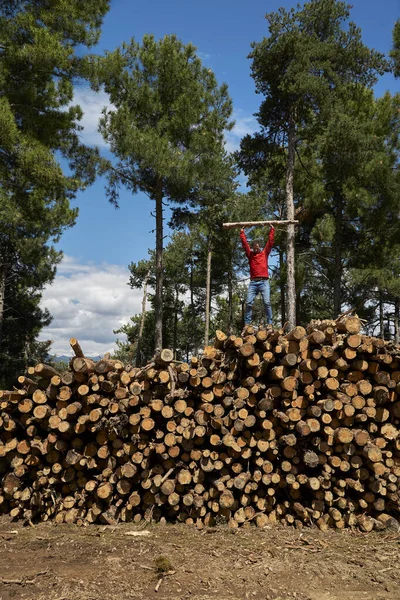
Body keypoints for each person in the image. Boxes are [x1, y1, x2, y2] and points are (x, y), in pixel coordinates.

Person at [240, 225, 275, 329]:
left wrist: (272, 230)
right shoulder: (250, 255)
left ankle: (270, 324)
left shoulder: (264, 253)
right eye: (254, 248)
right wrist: (242, 232)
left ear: (260, 247)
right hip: (253, 283)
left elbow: (270, 243)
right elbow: (245, 244)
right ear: (253, 248)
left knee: (267, 302)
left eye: (257, 248)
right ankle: (247, 324)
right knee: (248, 302)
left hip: (264, 282)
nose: (256, 249)